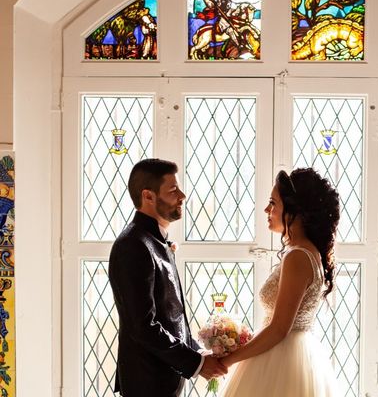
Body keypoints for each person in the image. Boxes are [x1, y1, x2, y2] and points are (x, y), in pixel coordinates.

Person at [108, 158, 227, 396]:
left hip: (163, 380)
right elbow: (143, 325)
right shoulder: (133, 245)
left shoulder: (156, 241)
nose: (182, 195)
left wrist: (198, 352)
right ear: (148, 196)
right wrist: (197, 364)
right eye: (173, 190)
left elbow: (170, 314)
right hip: (147, 383)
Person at [219, 167, 340, 396]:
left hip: (281, 359)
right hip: (295, 355)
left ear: (296, 210)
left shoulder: (298, 256)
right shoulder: (307, 252)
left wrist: (229, 360)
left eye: (273, 203)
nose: (267, 209)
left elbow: (278, 329)